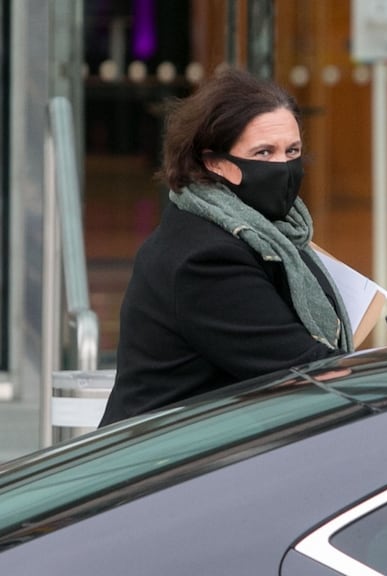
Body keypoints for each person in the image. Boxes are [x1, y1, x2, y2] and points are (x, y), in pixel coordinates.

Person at [99, 69, 352, 426]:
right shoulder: (206, 258)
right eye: (264, 152)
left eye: (292, 151)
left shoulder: (273, 234)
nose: (283, 166)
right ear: (214, 162)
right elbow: (307, 369)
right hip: (167, 465)